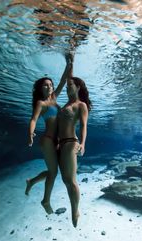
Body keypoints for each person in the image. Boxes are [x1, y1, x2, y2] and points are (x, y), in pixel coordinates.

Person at [26, 54, 72, 214]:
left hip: (57, 141)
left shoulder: (54, 98)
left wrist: (69, 63)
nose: (49, 87)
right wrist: (31, 133)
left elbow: (63, 81)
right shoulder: (41, 103)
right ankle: (45, 200)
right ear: (40, 88)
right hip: (47, 140)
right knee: (53, 172)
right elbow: (33, 119)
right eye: (45, 85)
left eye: (50, 85)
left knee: (53, 171)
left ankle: (31, 181)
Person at [57, 58, 91, 227]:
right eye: (67, 85)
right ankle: (73, 207)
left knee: (71, 180)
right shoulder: (66, 104)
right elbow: (68, 78)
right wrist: (70, 61)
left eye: (70, 86)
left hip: (71, 143)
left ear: (77, 87)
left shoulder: (80, 105)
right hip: (60, 144)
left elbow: (84, 126)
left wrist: (83, 144)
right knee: (65, 180)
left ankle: (75, 210)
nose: (67, 87)